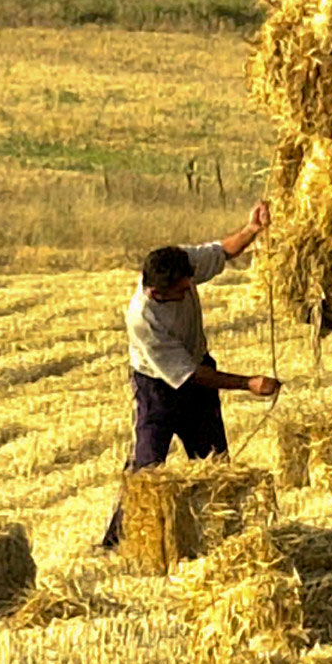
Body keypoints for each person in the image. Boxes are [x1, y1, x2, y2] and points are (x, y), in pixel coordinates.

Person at [104, 201, 279, 548]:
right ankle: (119, 542)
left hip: (198, 369)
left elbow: (220, 253)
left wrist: (252, 230)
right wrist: (248, 384)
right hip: (158, 389)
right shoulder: (144, 319)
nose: (189, 291)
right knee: (147, 469)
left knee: (215, 463)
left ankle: (226, 540)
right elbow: (189, 375)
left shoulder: (180, 262)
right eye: (182, 291)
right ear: (157, 292)